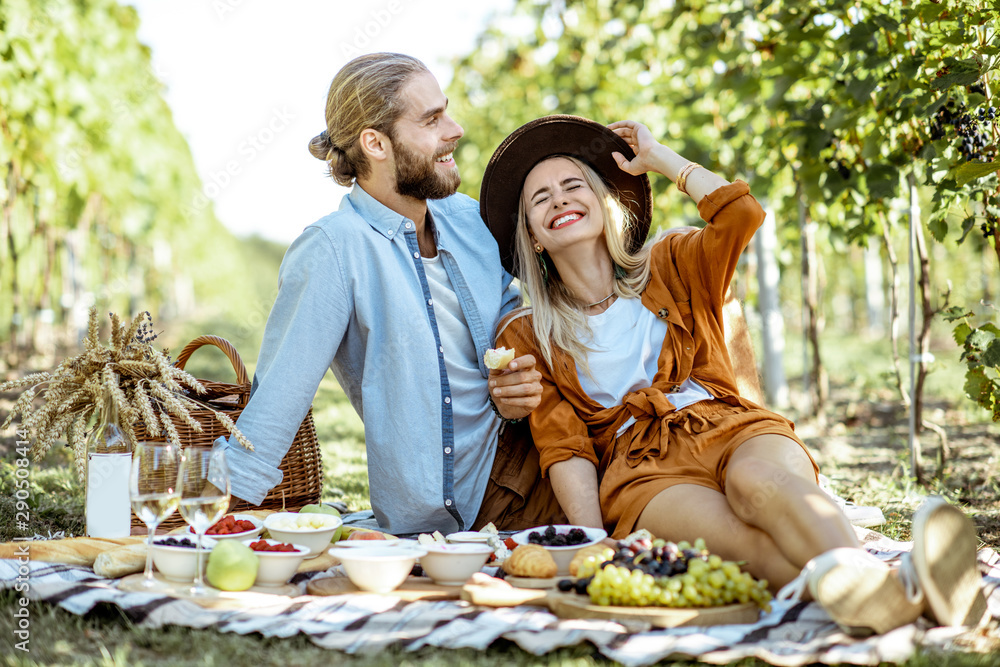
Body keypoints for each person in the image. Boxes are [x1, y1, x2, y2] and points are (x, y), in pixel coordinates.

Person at [479, 115, 988, 634]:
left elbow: (740, 214)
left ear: (605, 202)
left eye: (573, 185)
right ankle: (907, 593)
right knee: (743, 542)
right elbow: (564, 447)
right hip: (644, 472)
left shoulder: (672, 261)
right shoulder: (526, 333)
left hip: (727, 426)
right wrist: (594, 542)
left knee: (757, 483)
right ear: (532, 237)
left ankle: (881, 593)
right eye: (540, 199)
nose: (560, 200)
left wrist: (660, 159)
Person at [215, 53, 564, 536]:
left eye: (447, 111)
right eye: (431, 120)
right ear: (375, 143)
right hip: (478, 497)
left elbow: (515, 324)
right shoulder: (335, 249)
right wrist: (205, 523)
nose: (455, 129)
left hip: (546, 447)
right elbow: (278, 400)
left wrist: (519, 380)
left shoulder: (468, 219)